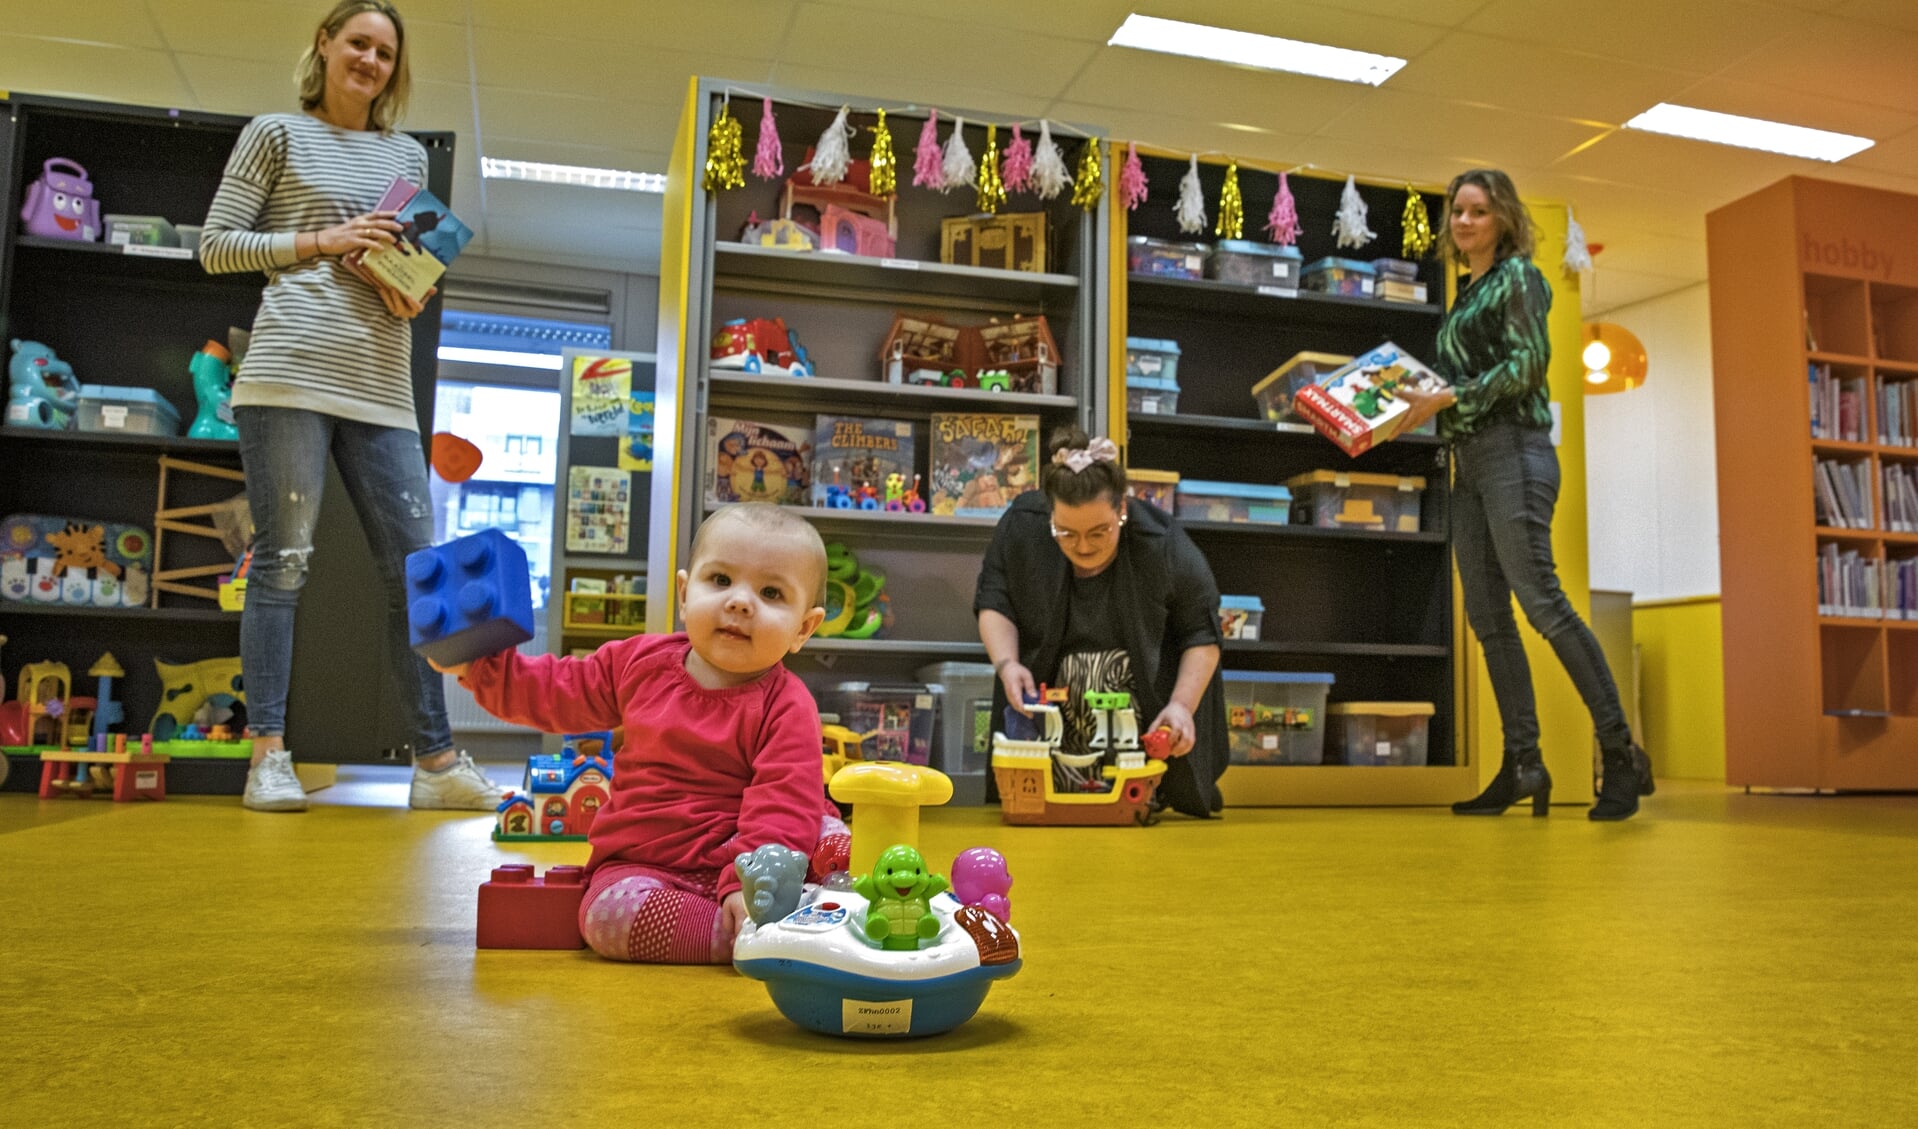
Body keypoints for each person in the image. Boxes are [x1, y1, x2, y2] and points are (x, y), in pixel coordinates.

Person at [200, 1, 500, 813]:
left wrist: (405, 290)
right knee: (283, 563)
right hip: (288, 372)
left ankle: (435, 764)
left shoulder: (405, 154)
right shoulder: (275, 133)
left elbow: (414, 276)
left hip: (380, 381)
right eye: (357, 42)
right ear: (326, 46)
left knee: (416, 571)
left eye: (384, 52)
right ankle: (269, 755)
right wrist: (321, 242)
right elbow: (215, 244)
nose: (370, 59)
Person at [437, 505, 851, 963]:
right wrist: (480, 669)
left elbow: (781, 802)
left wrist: (750, 884)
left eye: (771, 592)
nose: (739, 602)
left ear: (803, 628)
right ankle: (738, 933)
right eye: (719, 580)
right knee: (605, 918)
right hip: (643, 862)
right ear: (683, 594)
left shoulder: (787, 705)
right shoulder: (636, 663)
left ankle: (783, 903)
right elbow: (558, 690)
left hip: (749, 859)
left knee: (819, 826)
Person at [1397, 168, 1654, 821]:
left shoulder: (1520, 279)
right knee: (1488, 619)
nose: (1462, 221)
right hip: (1468, 462)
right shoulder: (1467, 293)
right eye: (1457, 210)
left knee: (1544, 604)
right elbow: (1464, 380)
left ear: (1504, 219)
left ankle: (1622, 754)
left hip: (1514, 451)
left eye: (1477, 211)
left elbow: (1526, 366)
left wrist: (1448, 396)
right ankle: (1522, 764)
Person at [974, 428, 1228, 817]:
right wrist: (1008, 664)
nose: (1084, 546)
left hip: (1140, 709)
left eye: (1099, 531)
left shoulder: (1162, 542)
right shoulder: (1022, 525)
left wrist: (1180, 706)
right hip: (1048, 709)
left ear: (1122, 509)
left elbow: (1202, 632)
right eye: (1066, 532)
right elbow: (995, 599)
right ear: (1049, 512)